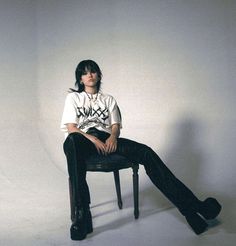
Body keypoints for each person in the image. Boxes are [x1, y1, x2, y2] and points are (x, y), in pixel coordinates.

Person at [61, 59, 221, 240]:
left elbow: (115, 126)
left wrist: (113, 137)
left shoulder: (108, 100)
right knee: (73, 141)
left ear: (98, 75)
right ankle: (83, 215)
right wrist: (93, 139)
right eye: (85, 72)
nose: (89, 75)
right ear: (80, 79)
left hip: (105, 137)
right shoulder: (73, 98)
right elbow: (72, 128)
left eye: (93, 71)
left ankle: (192, 208)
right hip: (81, 140)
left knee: (146, 152)